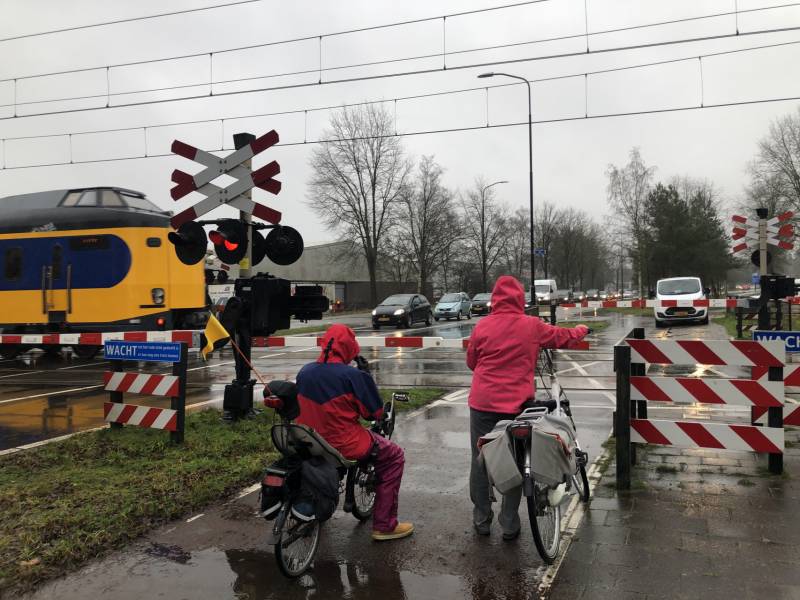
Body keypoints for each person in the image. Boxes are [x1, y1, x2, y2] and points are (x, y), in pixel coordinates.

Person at [467, 275, 589, 539]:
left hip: (482, 404)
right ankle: (509, 523)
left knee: (481, 461)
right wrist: (581, 329)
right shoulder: (532, 325)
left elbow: (472, 361)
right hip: (516, 407)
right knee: (514, 461)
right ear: (521, 299)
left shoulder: (482, 326)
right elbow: (563, 338)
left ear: (495, 298)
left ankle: (481, 519)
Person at [295, 323, 414, 541]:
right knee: (394, 456)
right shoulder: (353, 376)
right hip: (343, 443)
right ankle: (385, 526)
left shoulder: (305, 372)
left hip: (309, 440)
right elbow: (374, 413)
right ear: (350, 348)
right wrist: (366, 377)